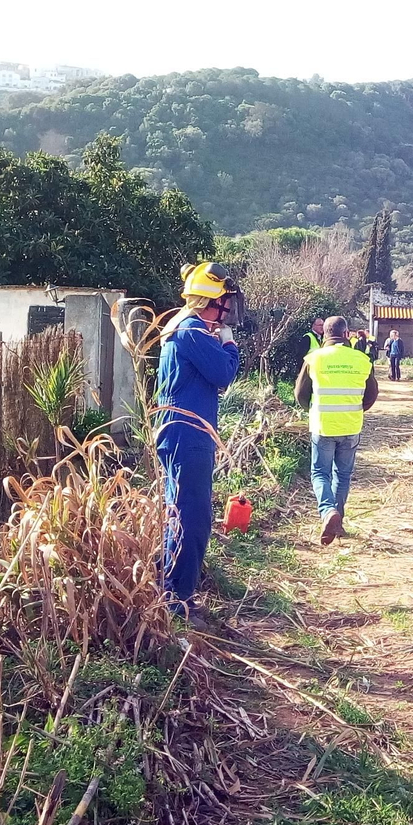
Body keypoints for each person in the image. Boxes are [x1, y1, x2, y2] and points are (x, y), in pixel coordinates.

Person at [155, 261, 243, 620]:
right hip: (188, 433)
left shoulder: (184, 329)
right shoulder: (192, 332)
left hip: (182, 431)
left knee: (181, 511)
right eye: (225, 300)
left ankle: (172, 591)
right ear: (212, 300)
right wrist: (229, 342)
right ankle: (177, 598)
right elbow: (225, 373)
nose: (228, 309)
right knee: (193, 517)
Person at [295, 315, 380, 544]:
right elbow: (371, 394)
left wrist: (312, 409)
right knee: (342, 475)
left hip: (323, 425)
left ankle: (327, 512)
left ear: (324, 335)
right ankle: (338, 521)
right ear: (346, 334)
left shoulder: (315, 358)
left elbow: (300, 394)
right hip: (351, 425)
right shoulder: (362, 359)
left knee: (320, 473)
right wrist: (356, 410)